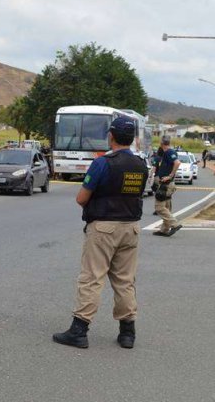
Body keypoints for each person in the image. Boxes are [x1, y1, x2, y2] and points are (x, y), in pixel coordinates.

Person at [53, 116, 148, 349]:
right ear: (133, 138)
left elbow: (81, 198)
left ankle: (79, 330)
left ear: (111, 136)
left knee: (92, 278)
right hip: (132, 228)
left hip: (104, 227)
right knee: (125, 281)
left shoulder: (103, 163)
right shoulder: (141, 164)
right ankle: (127, 333)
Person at [153, 136, 182, 237]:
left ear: (161, 143)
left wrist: (170, 175)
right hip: (169, 184)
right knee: (166, 206)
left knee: (159, 207)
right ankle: (164, 230)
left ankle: (174, 224)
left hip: (166, 184)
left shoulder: (169, 152)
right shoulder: (169, 152)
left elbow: (177, 163)